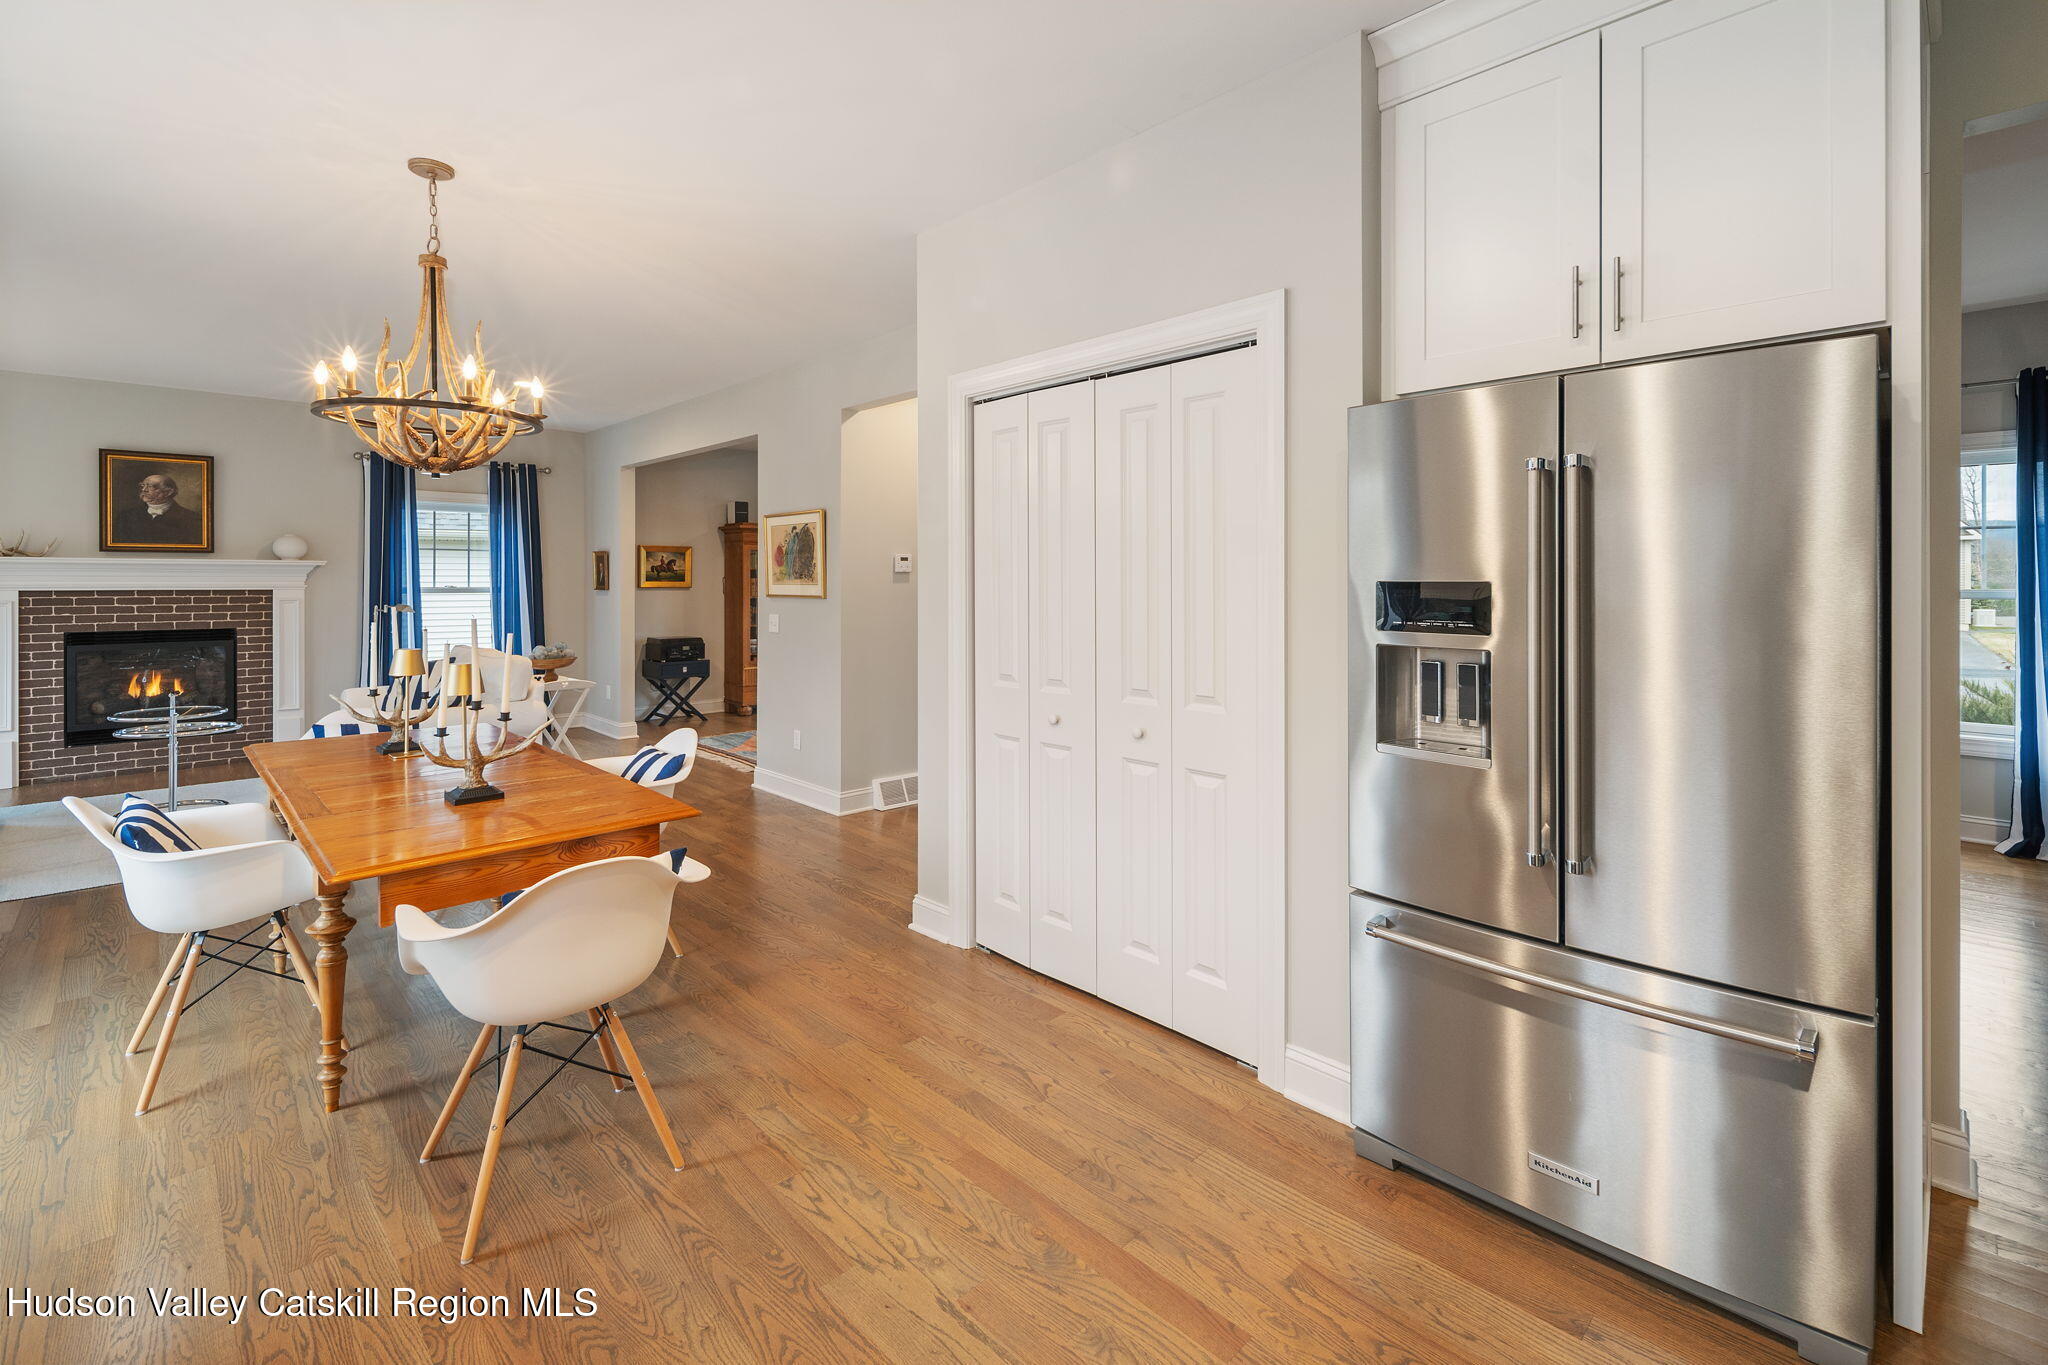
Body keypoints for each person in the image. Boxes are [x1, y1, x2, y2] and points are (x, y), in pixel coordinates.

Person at [111, 470, 205, 547]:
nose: (144, 490)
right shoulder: (126, 516)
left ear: (168, 492)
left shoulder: (191, 518)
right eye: (143, 485)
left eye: (151, 486)